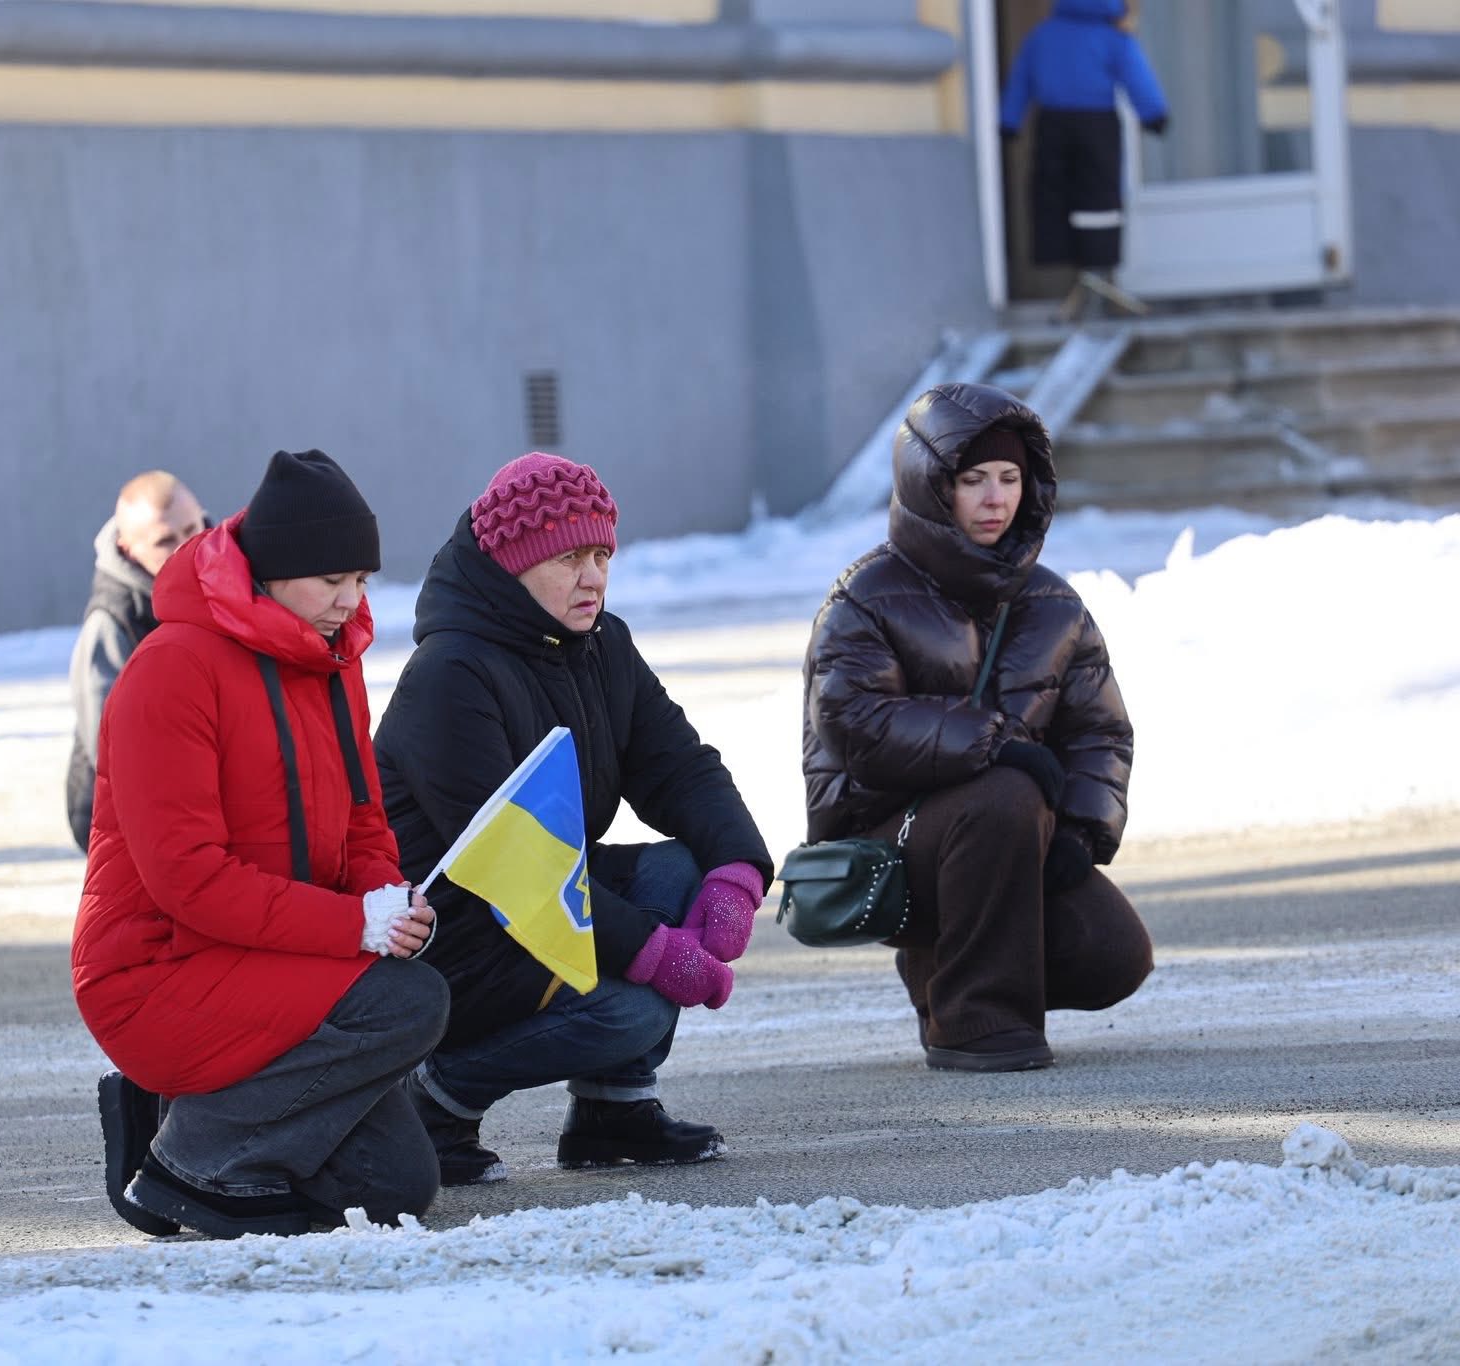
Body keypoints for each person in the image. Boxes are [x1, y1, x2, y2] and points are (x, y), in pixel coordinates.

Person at [70, 449, 447, 1240]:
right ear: (273, 572)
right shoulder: (169, 670)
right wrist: (354, 927)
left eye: (362, 582)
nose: (350, 602)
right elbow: (190, 883)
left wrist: (388, 900)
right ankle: (189, 1163)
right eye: (331, 581)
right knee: (408, 1003)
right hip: (156, 975)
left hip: (268, 958)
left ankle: (190, 1115)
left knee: (396, 1190)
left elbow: (363, 821)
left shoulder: (331, 661)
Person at [374, 452, 773, 1185]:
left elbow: (679, 765)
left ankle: (612, 1112)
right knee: (634, 1012)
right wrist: (654, 952)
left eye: (601, 554)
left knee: (679, 871)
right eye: (568, 558)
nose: (593, 576)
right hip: (456, 937)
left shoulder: (600, 645)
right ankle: (434, 1101)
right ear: (513, 565)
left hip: (543, 907)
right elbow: (514, 865)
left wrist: (738, 872)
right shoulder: (449, 674)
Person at [803, 382, 1151, 1073]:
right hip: (886, 835)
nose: (996, 499)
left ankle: (947, 964)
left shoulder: (1055, 604)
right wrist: (999, 747)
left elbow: (1099, 732)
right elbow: (855, 722)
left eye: (1010, 478)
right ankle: (971, 1021)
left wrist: (1078, 833)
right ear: (933, 484)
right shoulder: (865, 597)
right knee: (1003, 796)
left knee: (1113, 953)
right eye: (973, 480)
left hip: (1003, 831)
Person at [64, 471, 208, 851]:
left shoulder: (222, 581)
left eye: (194, 528)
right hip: (123, 820)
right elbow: (113, 752)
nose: (187, 546)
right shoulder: (112, 623)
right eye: (165, 541)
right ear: (129, 550)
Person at [999, 0, 1168, 307]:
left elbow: (1021, 78)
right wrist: (1153, 114)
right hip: (1097, 124)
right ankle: (1098, 271)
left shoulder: (1043, 34)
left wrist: (1009, 120)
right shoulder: (1111, 37)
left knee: (1052, 194)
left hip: (1052, 124)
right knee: (1099, 197)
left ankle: (1065, 275)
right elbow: (1136, 74)